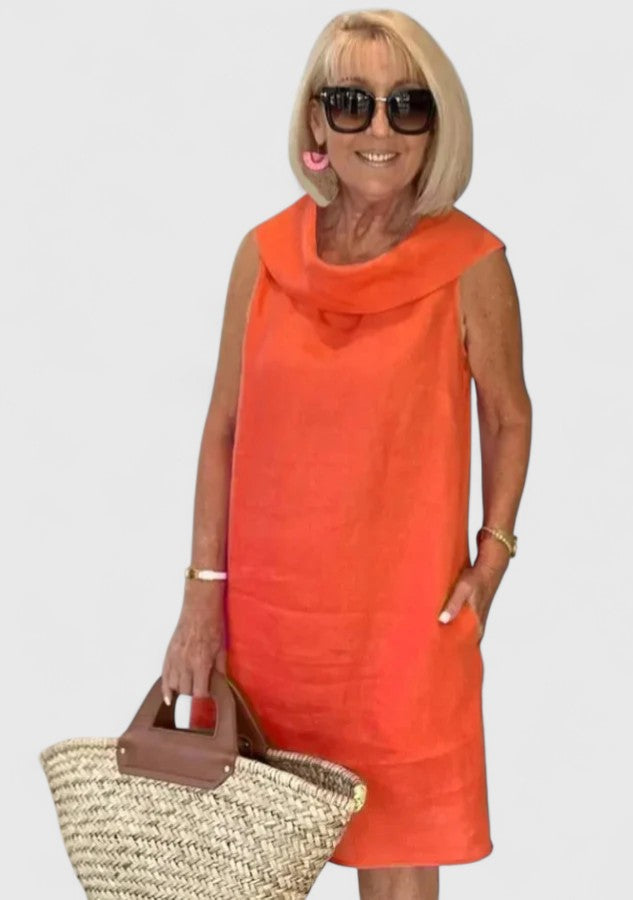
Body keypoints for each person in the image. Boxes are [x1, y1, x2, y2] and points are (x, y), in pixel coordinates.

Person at [161, 9, 531, 900]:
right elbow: (222, 429)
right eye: (352, 101)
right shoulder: (262, 257)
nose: (379, 128)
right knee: (243, 872)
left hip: (403, 636)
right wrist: (201, 597)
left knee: (398, 864)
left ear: (436, 126)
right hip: (268, 631)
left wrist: (492, 559)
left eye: (408, 105)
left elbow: (509, 417)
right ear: (316, 122)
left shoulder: (469, 263)